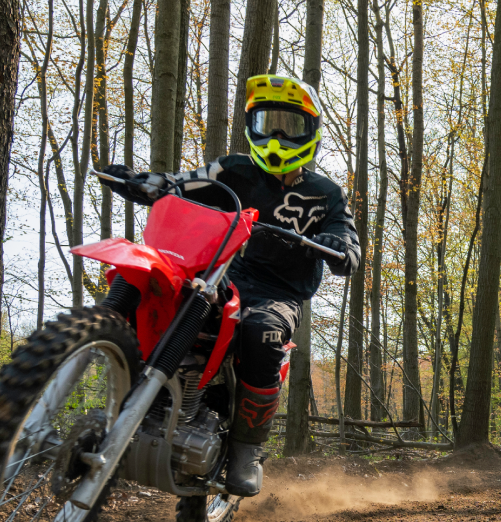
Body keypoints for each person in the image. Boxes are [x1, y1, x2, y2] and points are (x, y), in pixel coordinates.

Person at [101, 74, 361, 498]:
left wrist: (338, 246)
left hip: (279, 295)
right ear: (251, 126)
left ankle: (246, 449)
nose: (277, 136)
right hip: (222, 276)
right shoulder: (232, 169)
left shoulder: (326, 194)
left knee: (263, 333)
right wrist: (143, 182)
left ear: (310, 132)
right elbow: (183, 183)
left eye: (289, 126)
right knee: (154, 281)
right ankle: (96, 357)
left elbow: (348, 244)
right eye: (267, 123)